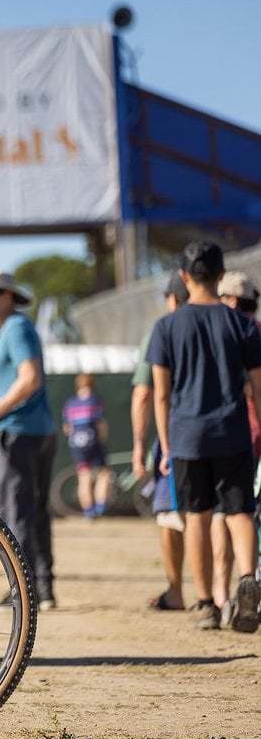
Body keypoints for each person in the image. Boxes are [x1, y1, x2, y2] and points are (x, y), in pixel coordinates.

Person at [148, 241, 260, 633]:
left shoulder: (166, 327)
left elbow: (161, 394)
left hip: (187, 436)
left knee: (197, 516)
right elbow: (258, 388)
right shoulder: (243, 325)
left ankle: (209, 604)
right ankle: (248, 578)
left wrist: (165, 443)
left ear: (183, 277)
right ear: (220, 275)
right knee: (239, 512)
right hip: (233, 432)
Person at [0, 269, 57, 611]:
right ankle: (42, 588)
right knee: (35, 512)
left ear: (9, 296)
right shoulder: (13, 329)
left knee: (17, 512)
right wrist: (0, 427)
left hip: (23, 433)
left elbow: (29, 379)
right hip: (30, 430)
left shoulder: (16, 328)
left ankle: (23, 590)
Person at [131, 273, 189, 611]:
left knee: (169, 514)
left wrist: (141, 446)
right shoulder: (232, 322)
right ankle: (219, 595)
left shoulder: (163, 329)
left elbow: (144, 394)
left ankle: (177, 590)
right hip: (230, 434)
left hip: (178, 434)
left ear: (171, 298)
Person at [213, 269, 261, 627]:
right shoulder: (253, 330)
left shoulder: (231, 335)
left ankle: (221, 596)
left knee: (228, 515)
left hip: (237, 436)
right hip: (248, 436)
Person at [61, 373, 112, 519]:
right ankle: (101, 505)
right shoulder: (95, 402)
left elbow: (67, 428)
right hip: (93, 441)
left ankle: (88, 511)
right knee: (104, 473)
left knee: (84, 476)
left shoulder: (70, 404)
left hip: (77, 444)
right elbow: (101, 425)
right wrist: (103, 441)